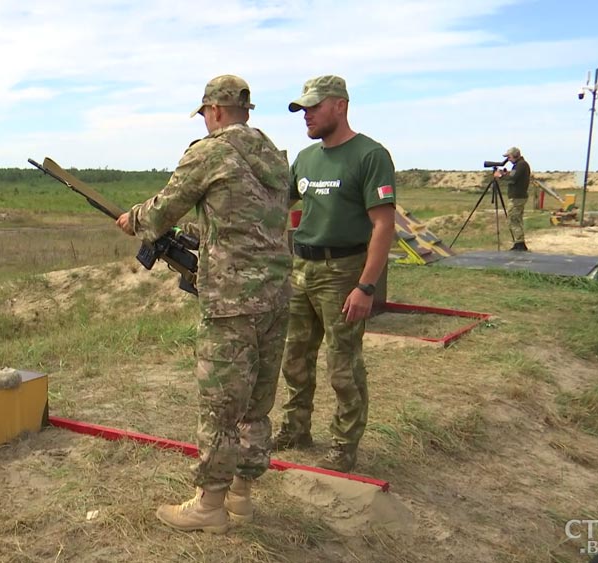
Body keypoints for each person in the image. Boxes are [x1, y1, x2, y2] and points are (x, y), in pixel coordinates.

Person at [115, 75, 291, 533]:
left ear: (213, 110)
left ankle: (209, 507)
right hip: (276, 297)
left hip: (231, 301)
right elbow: (250, 222)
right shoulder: (273, 154)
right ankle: (241, 498)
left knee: (220, 407)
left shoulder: (210, 151)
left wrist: (132, 218)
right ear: (246, 110)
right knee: (256, 405)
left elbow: (160, 211)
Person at [273, 75, 396, 473]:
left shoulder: (370, 155)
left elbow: (383, 226)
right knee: (295, 356)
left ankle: (344, 445)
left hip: (343, 271)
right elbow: (276, 205)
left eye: (312, 106)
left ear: (339, 105)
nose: (305, 115)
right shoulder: (306, 159)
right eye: (302, 108)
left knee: (342, 365)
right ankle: (295, 428)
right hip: (301, 266)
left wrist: (366, 285)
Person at [495, 147, 531, 251]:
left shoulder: (521, 165)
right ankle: (518, 243)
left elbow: (513, 178)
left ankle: (520, 244)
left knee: (513, 219)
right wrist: (505, 173)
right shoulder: (520, 165)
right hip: (518, 197)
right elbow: (513, 175)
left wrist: (500, 176)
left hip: (517, 198)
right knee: (516, 219)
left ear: (515, 155)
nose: (508, 159)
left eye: (509, 157)